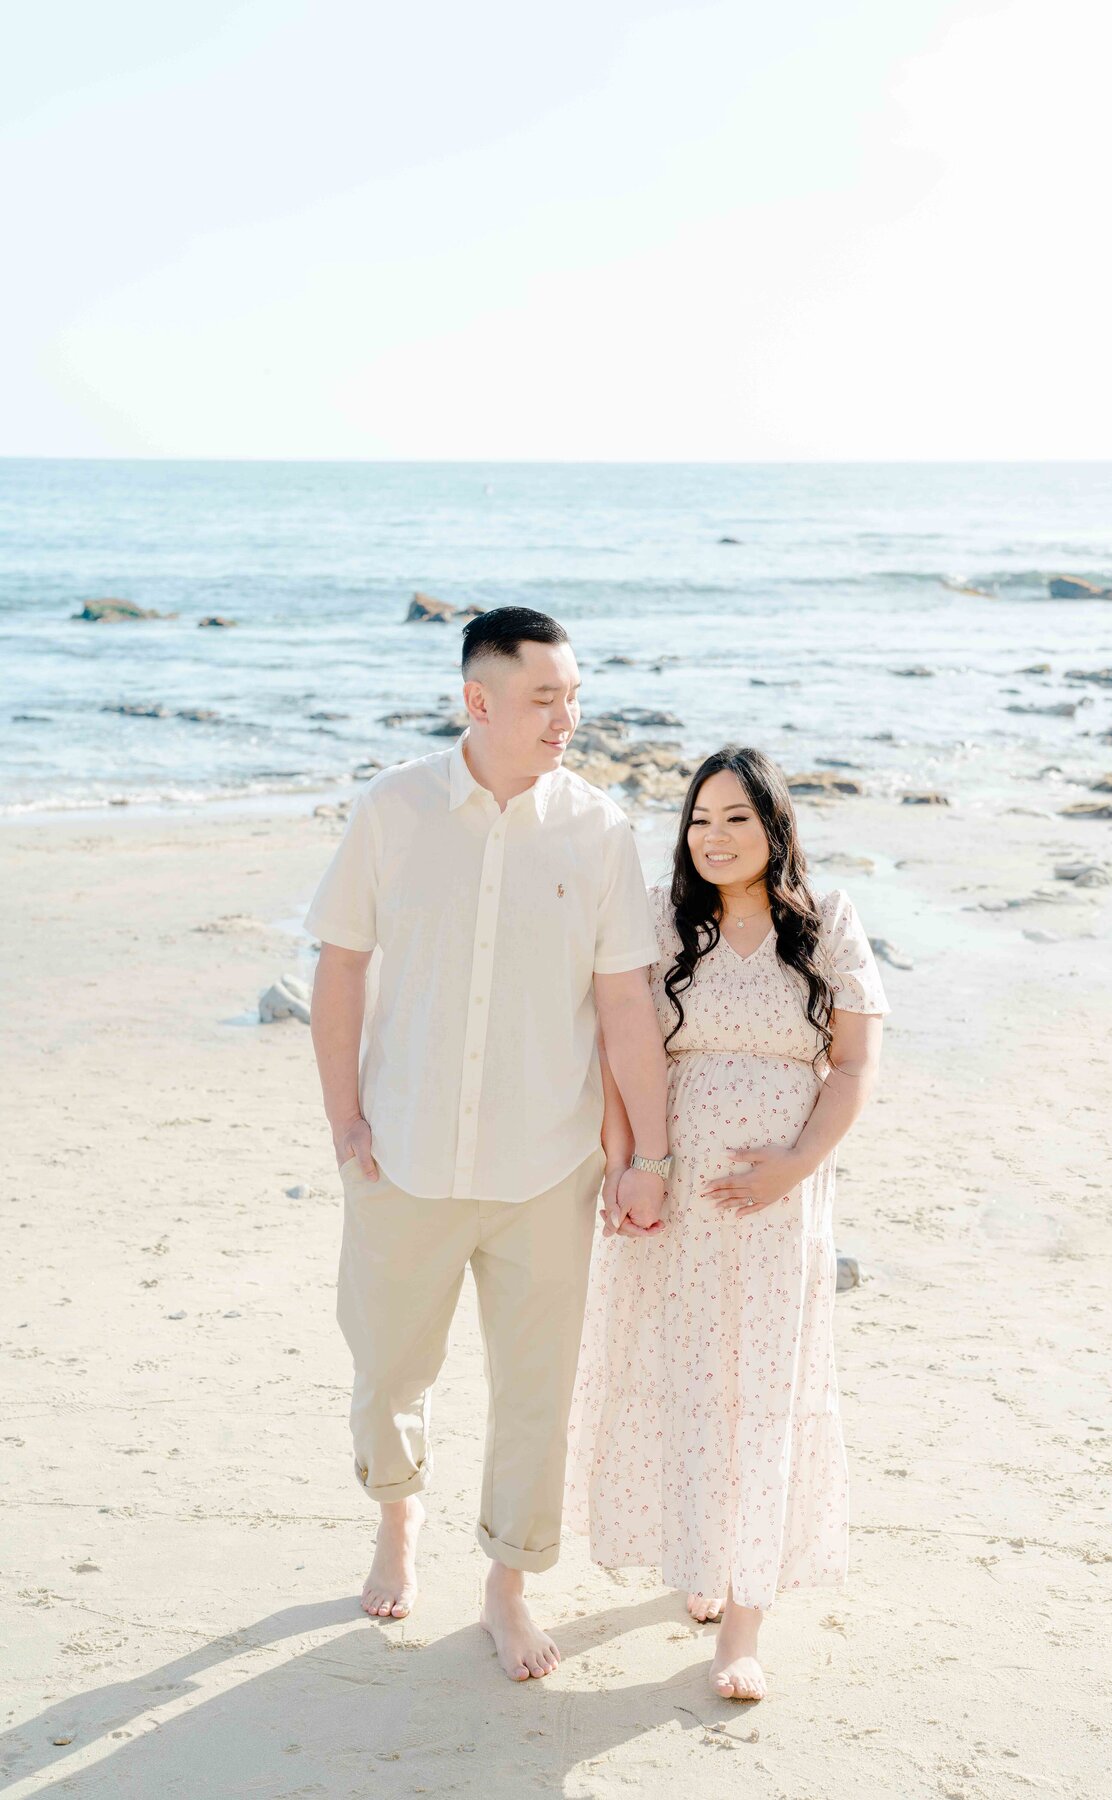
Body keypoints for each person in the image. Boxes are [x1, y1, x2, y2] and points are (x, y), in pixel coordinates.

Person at [302, 606, 670, 1682]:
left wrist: (648, 1156)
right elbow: (339, 969)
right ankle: (396, 1514)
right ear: (479, 701)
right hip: (400, 1158)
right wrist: (344, 1123)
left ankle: (508, 1584)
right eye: (547, 696)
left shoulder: (598, 829)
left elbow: (625, 1008)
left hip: (547, 1170)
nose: (570, 716)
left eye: (575, 696)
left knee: (534, 1395)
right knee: (386, 1371)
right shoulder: (393, 809)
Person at [566, 745, 891, 1702]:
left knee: (760, 1385)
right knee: (682, 1373)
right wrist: (629, 1167)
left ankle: (742, 1619)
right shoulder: (667, 923)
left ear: (774, 826)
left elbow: (855, 1067)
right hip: (674, 1198)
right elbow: (624, 1053)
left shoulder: (825, 920)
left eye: (735, 818)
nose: (713, 836)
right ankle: (701, 1561)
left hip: (778, 1210)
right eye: (699, 819)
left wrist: (794, 1167)